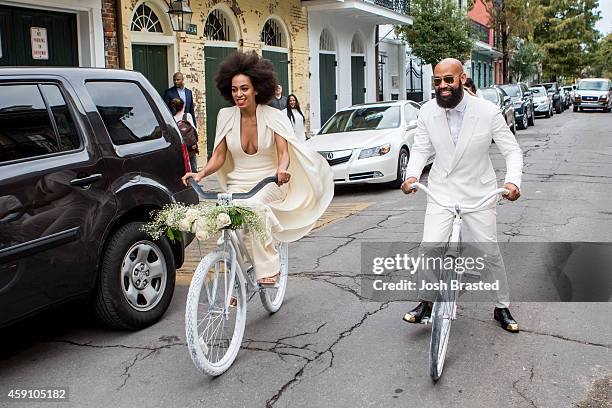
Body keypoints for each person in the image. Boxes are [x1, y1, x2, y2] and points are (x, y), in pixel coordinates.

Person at [181, 51, 333, 285]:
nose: (239, 94)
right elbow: (219, 156)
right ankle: (231, 288)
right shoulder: (225, 115)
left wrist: (281, 171)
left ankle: (270, 267)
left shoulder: (274, 116)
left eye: (244, 88)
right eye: (234, 90)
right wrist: (199, 174)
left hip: (269, 182)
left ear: (257, 89)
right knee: (228, 230)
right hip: (237, 183)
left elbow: (284, 154)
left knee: (254, 207)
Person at [400, 58, 523, 333]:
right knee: (429, 247)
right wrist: (411, 175)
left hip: (479, 191)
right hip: (442, 189)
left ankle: (501, 306)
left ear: (462, 78)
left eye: (448, 80)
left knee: (488, 249)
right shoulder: (427, 111)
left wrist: (512, 181)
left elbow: (512, 151)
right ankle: (426, 303)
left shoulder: (487, 111)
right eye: (437, 81)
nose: (442, 86)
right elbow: (420, 149)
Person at [171, 97, 198, 172]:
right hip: (190, 146)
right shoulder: (187, 116)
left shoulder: (172, 118)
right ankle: (194, 182)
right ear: (183, 106)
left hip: (180, 147)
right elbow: (194, 130)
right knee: (193, 166)